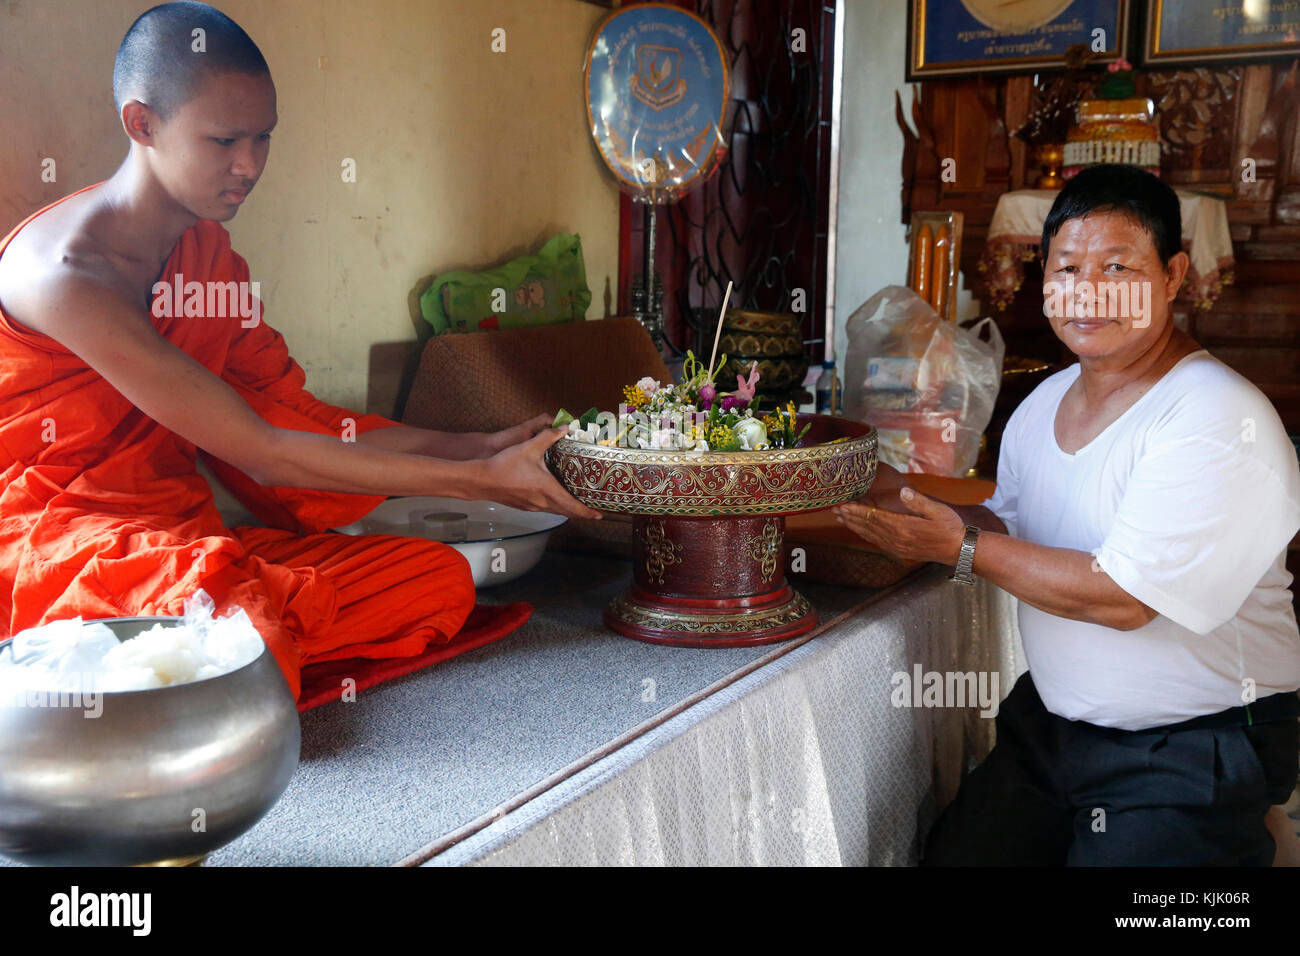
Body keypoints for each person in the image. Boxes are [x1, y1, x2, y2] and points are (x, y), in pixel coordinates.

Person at [0, 2, 600, 701]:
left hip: (183, 537)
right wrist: (484, 482)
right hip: (57, 543)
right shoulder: (65, 274)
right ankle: (197, 636)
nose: (249, 165)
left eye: (263, 139)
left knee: (433, 578)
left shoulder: (208, 257)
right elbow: (259, 448)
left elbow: (293, 414)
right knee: (233, 619)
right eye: (224, 141)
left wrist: (473, 446)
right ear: (142, 124)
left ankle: (191, 646)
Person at [833, 163, 1300, 866]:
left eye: (1118, 266)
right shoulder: (1045, 403)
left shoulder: (1213, 414)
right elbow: (1012, 527)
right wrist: (900, 491)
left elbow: (1123, 598)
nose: (1089, 292)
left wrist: (957, 548)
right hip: (1052, 729)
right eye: (1068, 267)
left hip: (1193, 743)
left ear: (1174, 276)